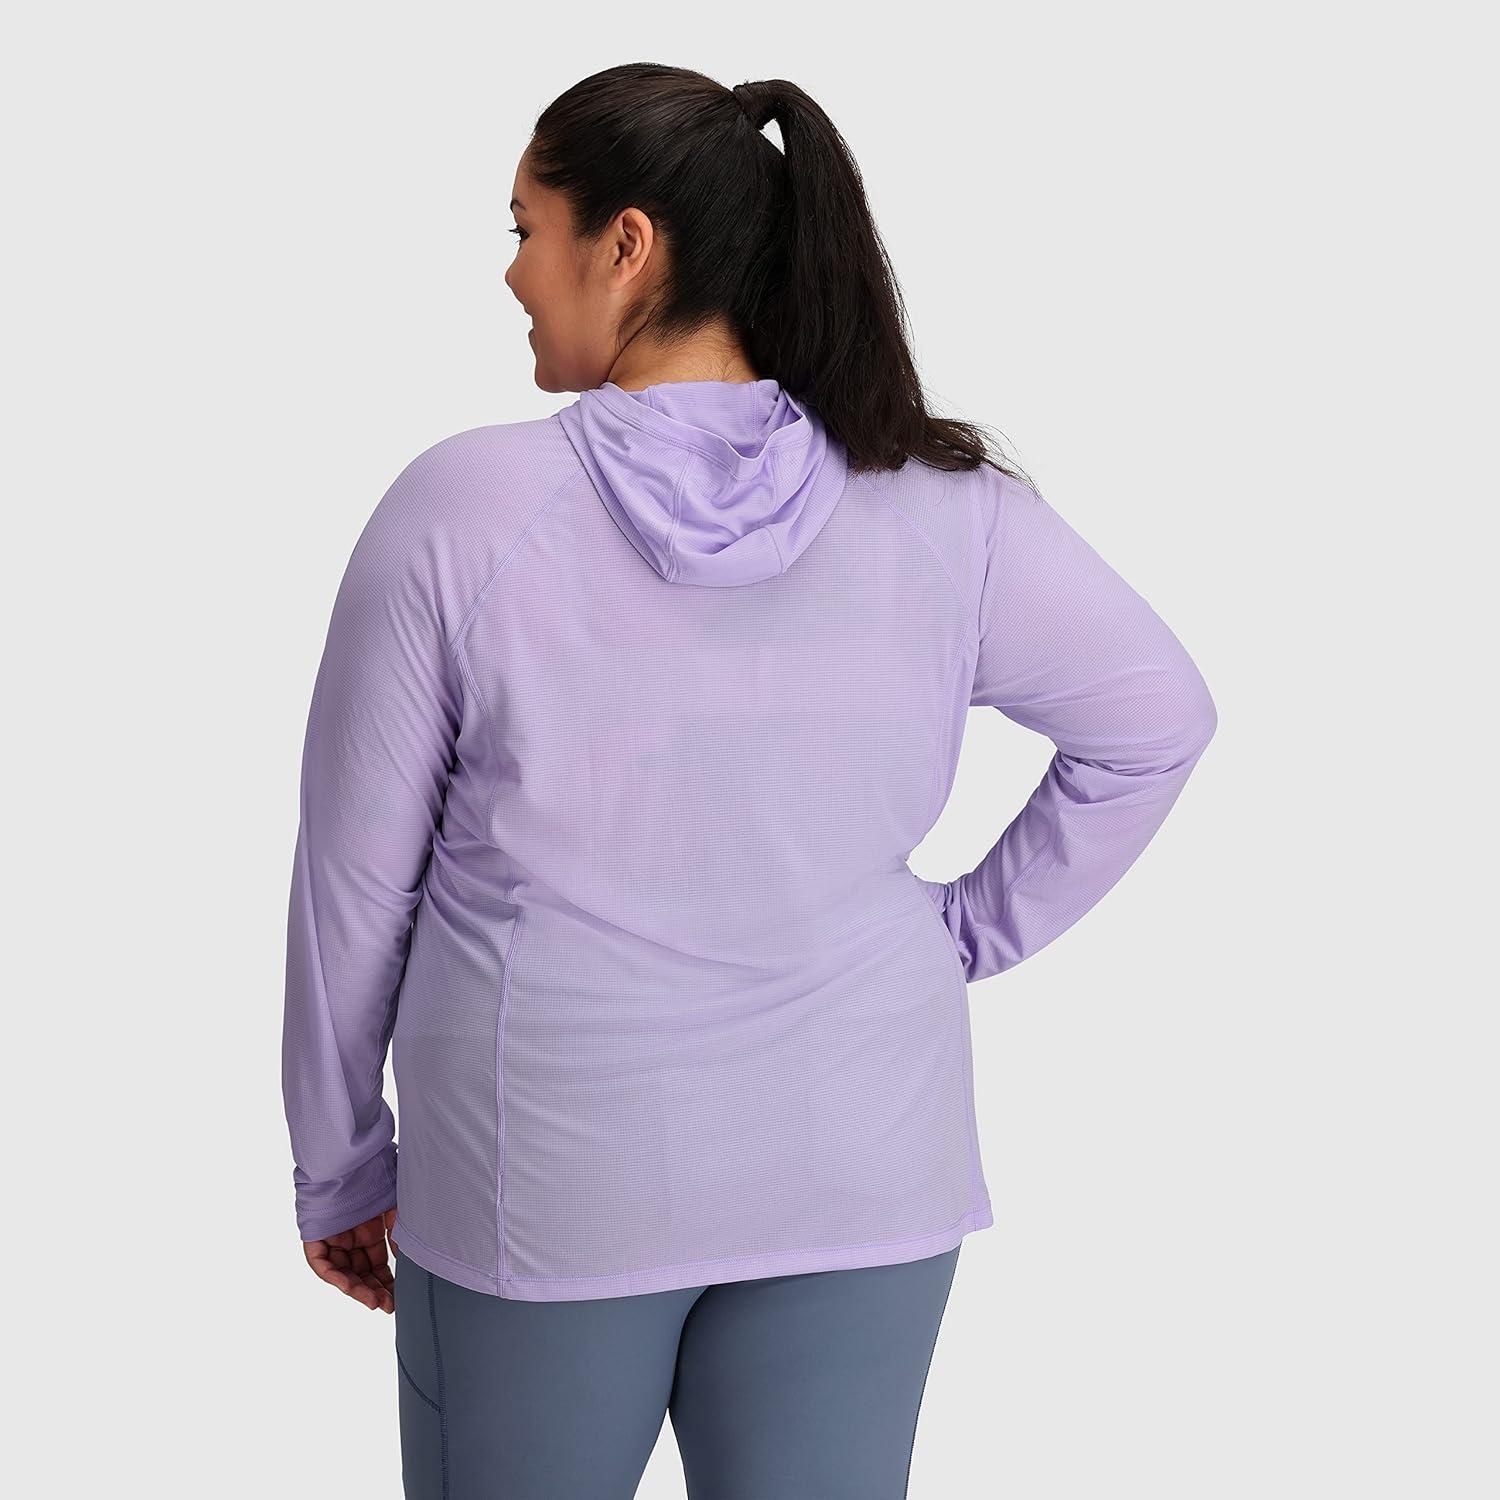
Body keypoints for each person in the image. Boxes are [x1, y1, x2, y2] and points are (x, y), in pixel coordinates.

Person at [281, 63, 1217, 1500]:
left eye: (526, 227)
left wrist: (341, 1164)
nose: (513, 273)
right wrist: (953, 937)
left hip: (553, 1179)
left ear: (627, 244)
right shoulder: (943, 504)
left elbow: (354, 886)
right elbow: (1155, 720)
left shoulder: (463, 512)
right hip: (862, 1161)